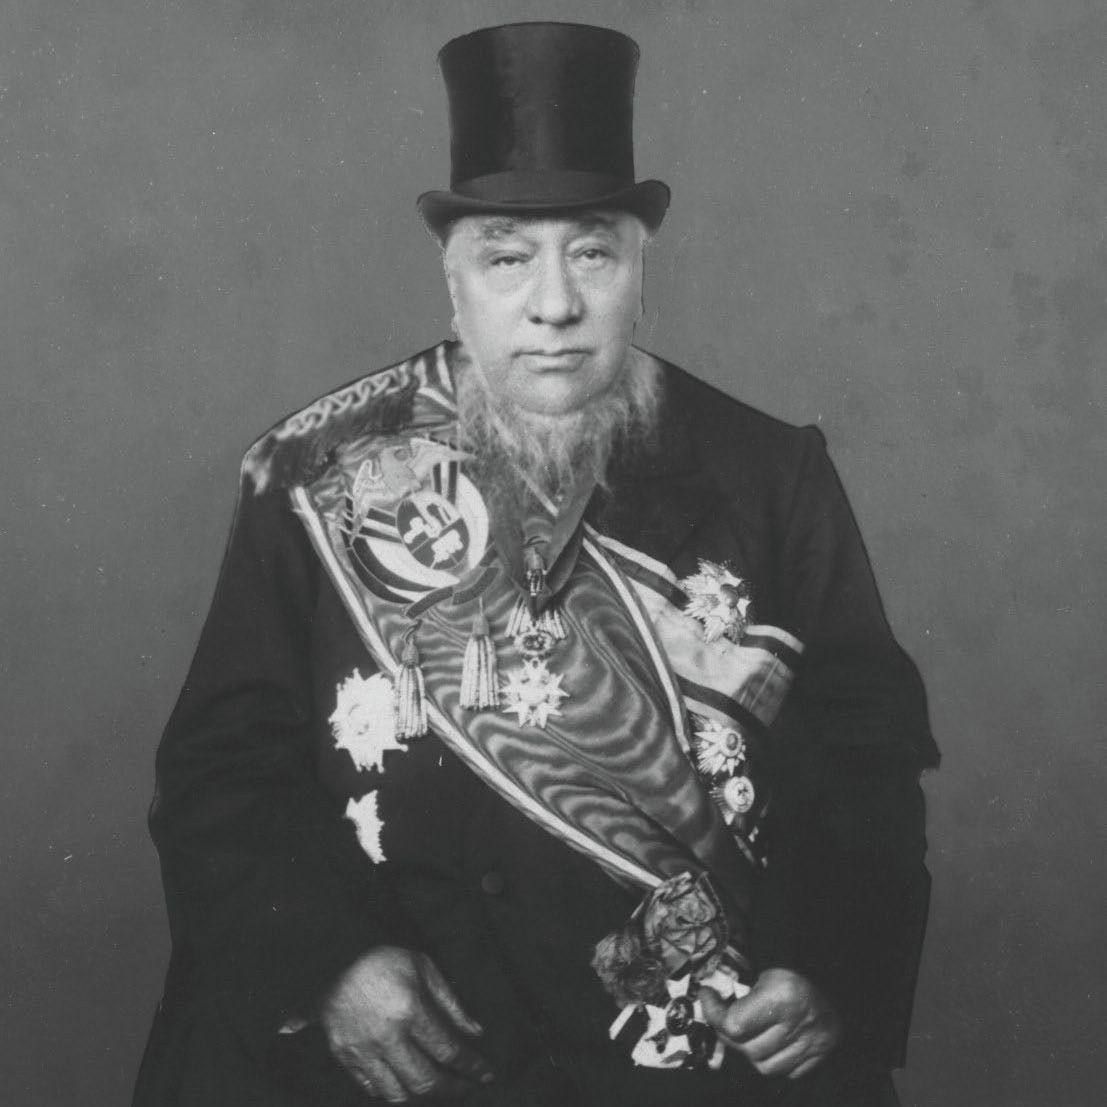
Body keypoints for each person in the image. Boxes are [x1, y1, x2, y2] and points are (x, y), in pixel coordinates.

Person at [134, 22, 938, 1107]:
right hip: (412, 1061)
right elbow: (221, 769)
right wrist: (331, 963)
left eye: (592, 253)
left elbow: (865, 753)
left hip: (670, 1062)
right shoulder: (314, 472)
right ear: (453, 279)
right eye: (507, 258)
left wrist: (821, 966)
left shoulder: (768, 472)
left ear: (640, 270)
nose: (553, 305)